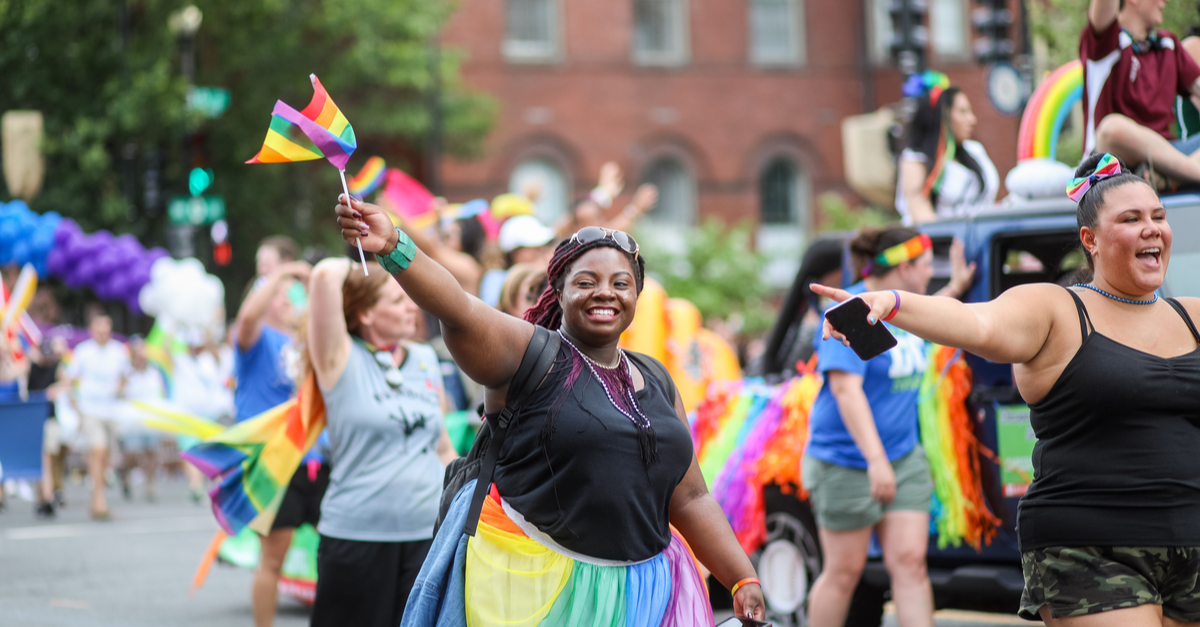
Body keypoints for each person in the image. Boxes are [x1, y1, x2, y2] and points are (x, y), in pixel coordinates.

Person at [334, 195, 767, 623]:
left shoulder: (655, 377)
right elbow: (458, 308)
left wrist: (741, 577)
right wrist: (394, 247)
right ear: (557, 291)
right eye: (585, 282)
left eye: (621, 283)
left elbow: (689, 496)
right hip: (537, 588)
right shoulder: (531, 353)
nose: (605, 293)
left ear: (637, 294)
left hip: (643, 594)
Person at [814, 153, 1200, 626]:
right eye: (1131, 218)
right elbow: (975, 321)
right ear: (1090, 240)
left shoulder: (1192, 316)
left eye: (1159, 217)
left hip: (1191, 540)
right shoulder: (1056, 309)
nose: (1151, 228)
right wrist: (890, 301)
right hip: (1093, 547)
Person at [804, 226, 975, 627]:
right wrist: (876, 462)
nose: (927, 274)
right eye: (923, 265)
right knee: (844, 573)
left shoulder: (900, 306)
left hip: (904, 456)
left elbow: (928, 315)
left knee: (911, 565)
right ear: (903, 267)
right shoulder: (849, 308)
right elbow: (847, 393)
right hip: (846, 461)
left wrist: (957, 285)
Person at [303, 258, 457, 627]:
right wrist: (367, 249)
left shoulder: (424, 358)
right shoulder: (339, 358)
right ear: (366, 314)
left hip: (426, 536)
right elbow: (324, 274)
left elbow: (442, 448)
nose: (411, 306)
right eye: (396, 299)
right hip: (357, 538)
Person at [233, 255, 327, 627]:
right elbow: (247, 318)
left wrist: (311, 283)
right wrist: (281, 273)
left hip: (319, 460)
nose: (284, 298)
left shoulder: (308, 341)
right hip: (275, 464)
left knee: (338, 554)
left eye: (290, 293)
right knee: (272, 559)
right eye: (275, 293)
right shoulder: (254, 341)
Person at [1083, 0, 1200, 186]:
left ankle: (1170, 178)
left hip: (1170, 156)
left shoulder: (1168, 44)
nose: (1164, 2)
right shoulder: (1108, 41)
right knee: (1111, 128)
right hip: (1113, 162)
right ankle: (1187, 174)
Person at [896, 74, 998, 224]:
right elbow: (921, 215)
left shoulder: (975, 151)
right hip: (941, 243)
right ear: (942, 116)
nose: (972, 120)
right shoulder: (915, 160)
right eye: (963, 112)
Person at [66, 313, 129, 520]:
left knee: (105, 456)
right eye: (99, 330)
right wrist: (75, 408)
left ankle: (96, 496)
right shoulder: (83, 352)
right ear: (92, 330)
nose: (103, 334)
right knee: (98, 450)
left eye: (106, 330)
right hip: (90, 409)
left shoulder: (119, 351)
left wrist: (120, 390)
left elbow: (124, 378)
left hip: (111, 410)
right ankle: (100, 499)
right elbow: (70, 379)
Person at [116, 336, 167, 502]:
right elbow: (118, 392)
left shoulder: (153, 372)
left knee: (151, 452)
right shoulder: (126, 372)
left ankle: (149, 484)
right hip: (131, 421)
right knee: (131, 454)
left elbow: (161, 394)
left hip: (150, 419)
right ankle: (124, 474)